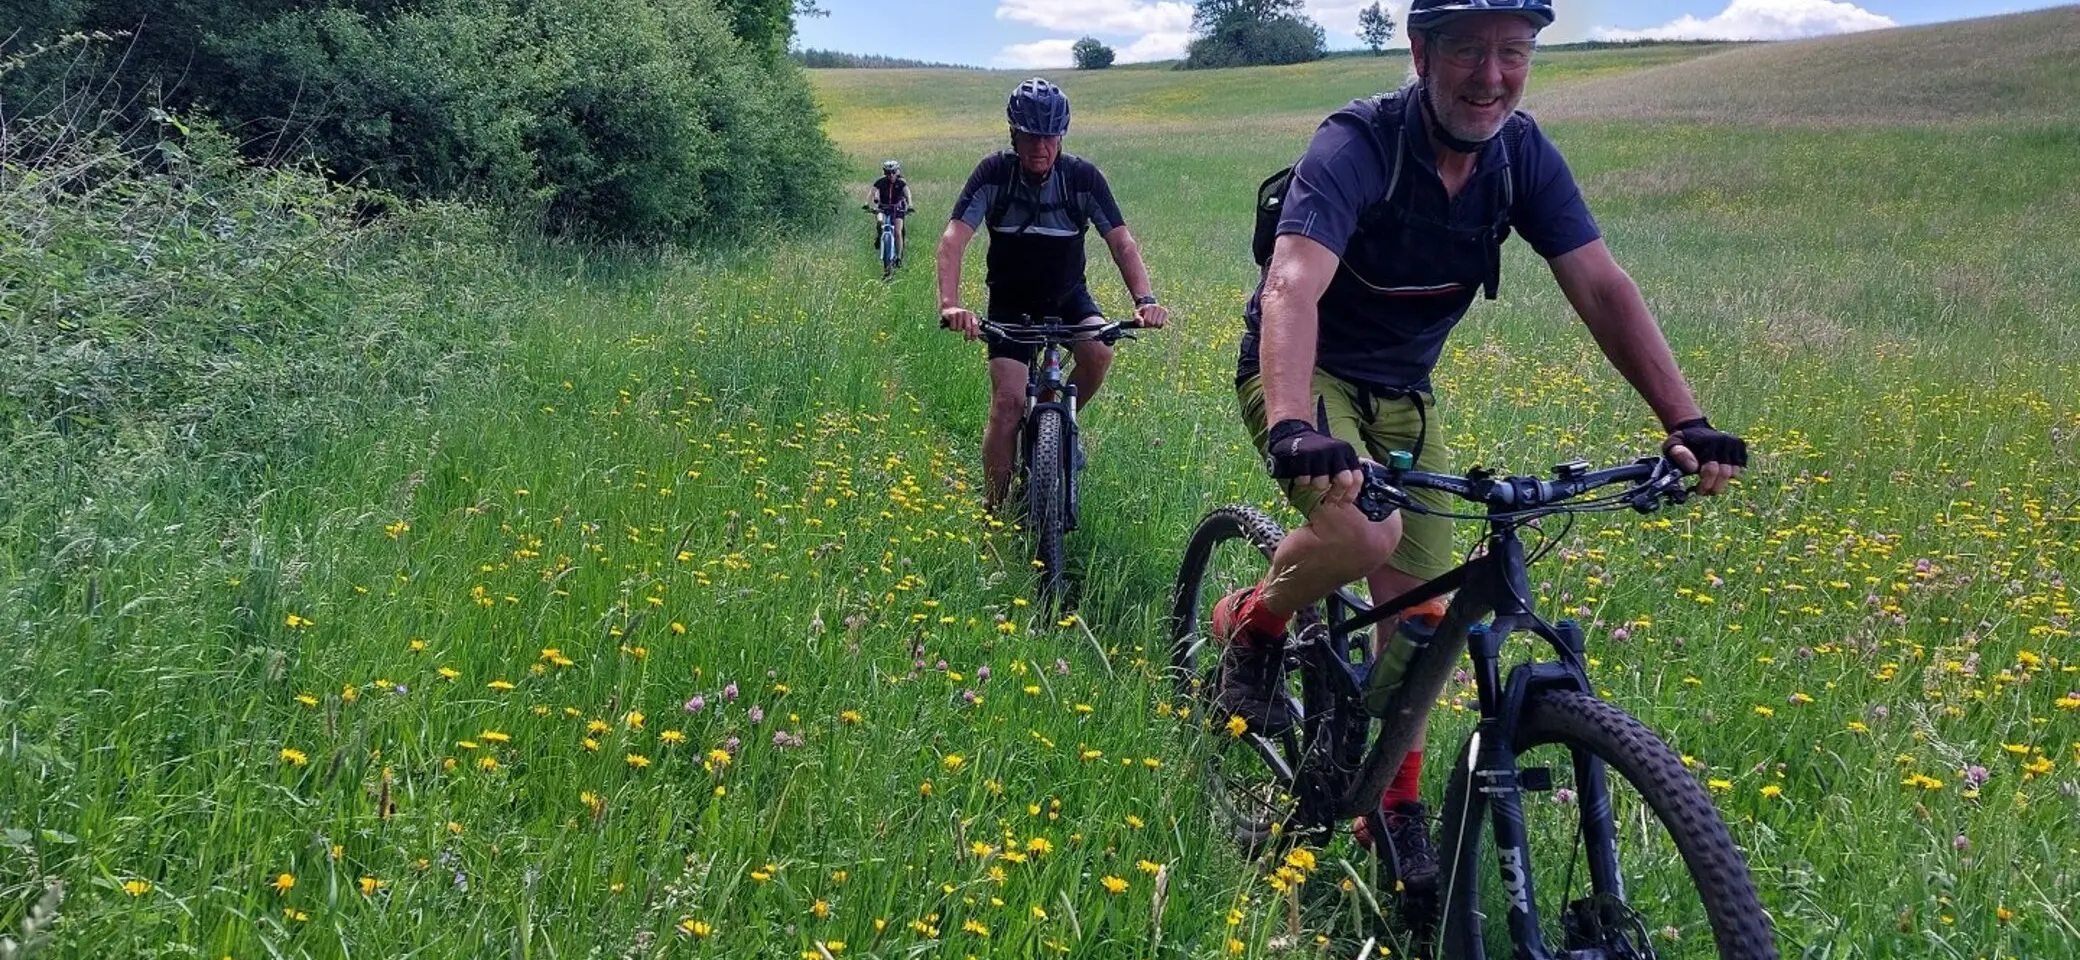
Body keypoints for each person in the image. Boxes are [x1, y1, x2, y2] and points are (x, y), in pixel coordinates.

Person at [1215, 0, 1749, 890]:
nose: (1491, 76)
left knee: (1424, 621)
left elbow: (1601, 284)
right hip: (1312, 380)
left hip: (1406, 400)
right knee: (1363, 536)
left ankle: (1393, 807)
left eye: (1513, 52)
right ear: (1421, 51)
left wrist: (1683, 421)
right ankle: (1255, 621)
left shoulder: (1521, 156)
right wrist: (1292, 426)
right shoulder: (1358, 144)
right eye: (1468, 51)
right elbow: (1292, 286)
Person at [937, 78, 1169, 511]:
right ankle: (994, 511)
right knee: (1007, 404)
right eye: (1029, 135)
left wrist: (1146, 300)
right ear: (1013, 134)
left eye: (1049, 135)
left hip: (1068, 297)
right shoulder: (994, 174)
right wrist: (950, 304)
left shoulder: (1082, 178)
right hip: (1010, 303)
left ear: (1061, 136)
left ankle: (1062, 426)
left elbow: (1122, 242)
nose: (1039, 146)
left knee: (1099, 352)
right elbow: (954, 239)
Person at [867, 159, 912, 265]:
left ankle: (899, 257)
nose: (891, 175)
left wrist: (910, 205)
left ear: (897, 172)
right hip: (883, 208)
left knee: (898, 232)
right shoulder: (881, 182)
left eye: (893, 172)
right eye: (888, 173)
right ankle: (880, 237)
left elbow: (907, 194)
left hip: (898, 209)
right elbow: (873, 192)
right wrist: (867, 203)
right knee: (880, 222)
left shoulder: (901, 182)